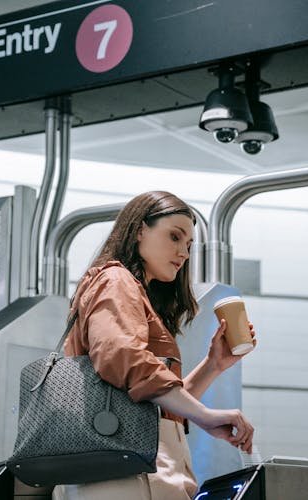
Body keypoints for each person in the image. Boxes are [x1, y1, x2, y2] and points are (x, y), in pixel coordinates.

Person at [52, 191, 256, 500]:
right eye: (174, 237)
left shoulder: (133, 292)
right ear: (139, 230)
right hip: (127, 476)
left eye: (188, 245)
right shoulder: (116, 280)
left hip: (133, 471)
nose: (184, 253)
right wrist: (204, 415)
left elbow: (155, 407)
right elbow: (122, 356)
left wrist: (214, 364)